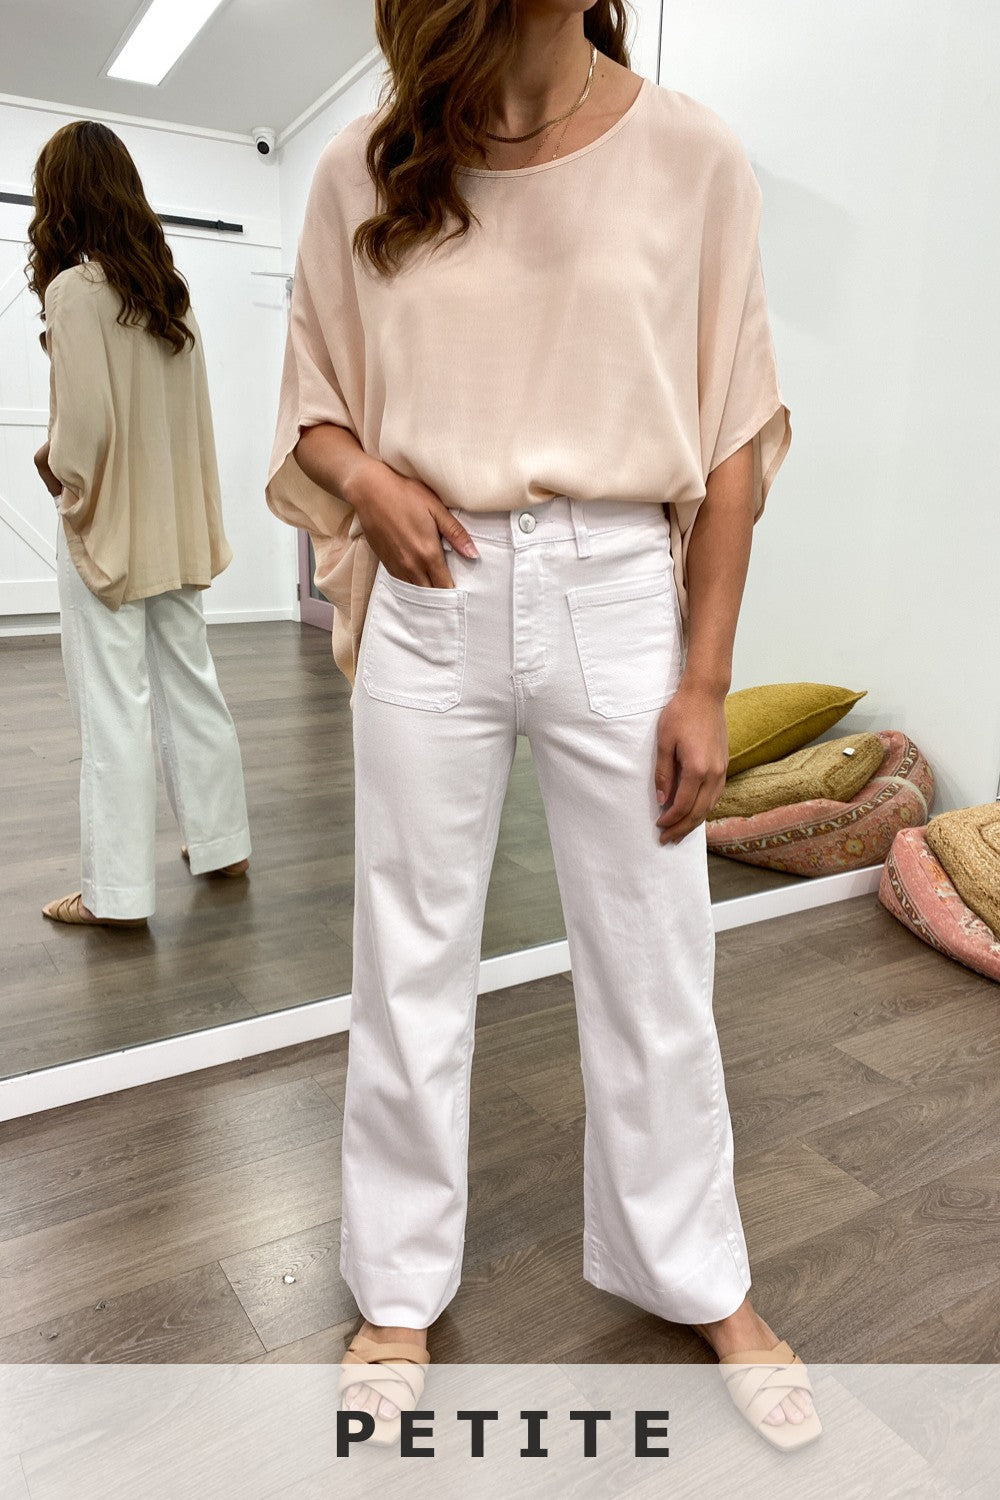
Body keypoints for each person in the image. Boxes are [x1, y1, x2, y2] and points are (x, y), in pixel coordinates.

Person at [267, 0, 820, 1453]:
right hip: (430, 589)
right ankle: (396, 1289)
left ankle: (697, 1272)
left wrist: (706, 680)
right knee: (407, 956)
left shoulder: (693, 155)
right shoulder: (364, 165)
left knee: (655, 957)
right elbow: (313, 402)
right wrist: (365, 482)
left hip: (619, 588)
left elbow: (729, 443)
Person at [28, 120, 251, 929]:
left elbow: (83, 430)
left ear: (60, 197)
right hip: (176, 524)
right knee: (191, 683)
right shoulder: (170, 295)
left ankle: (116, 894)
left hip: (110, 527)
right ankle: (223, 842)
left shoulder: (73, 291)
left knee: (111, 704)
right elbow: (187, 420)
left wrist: (56, 472)